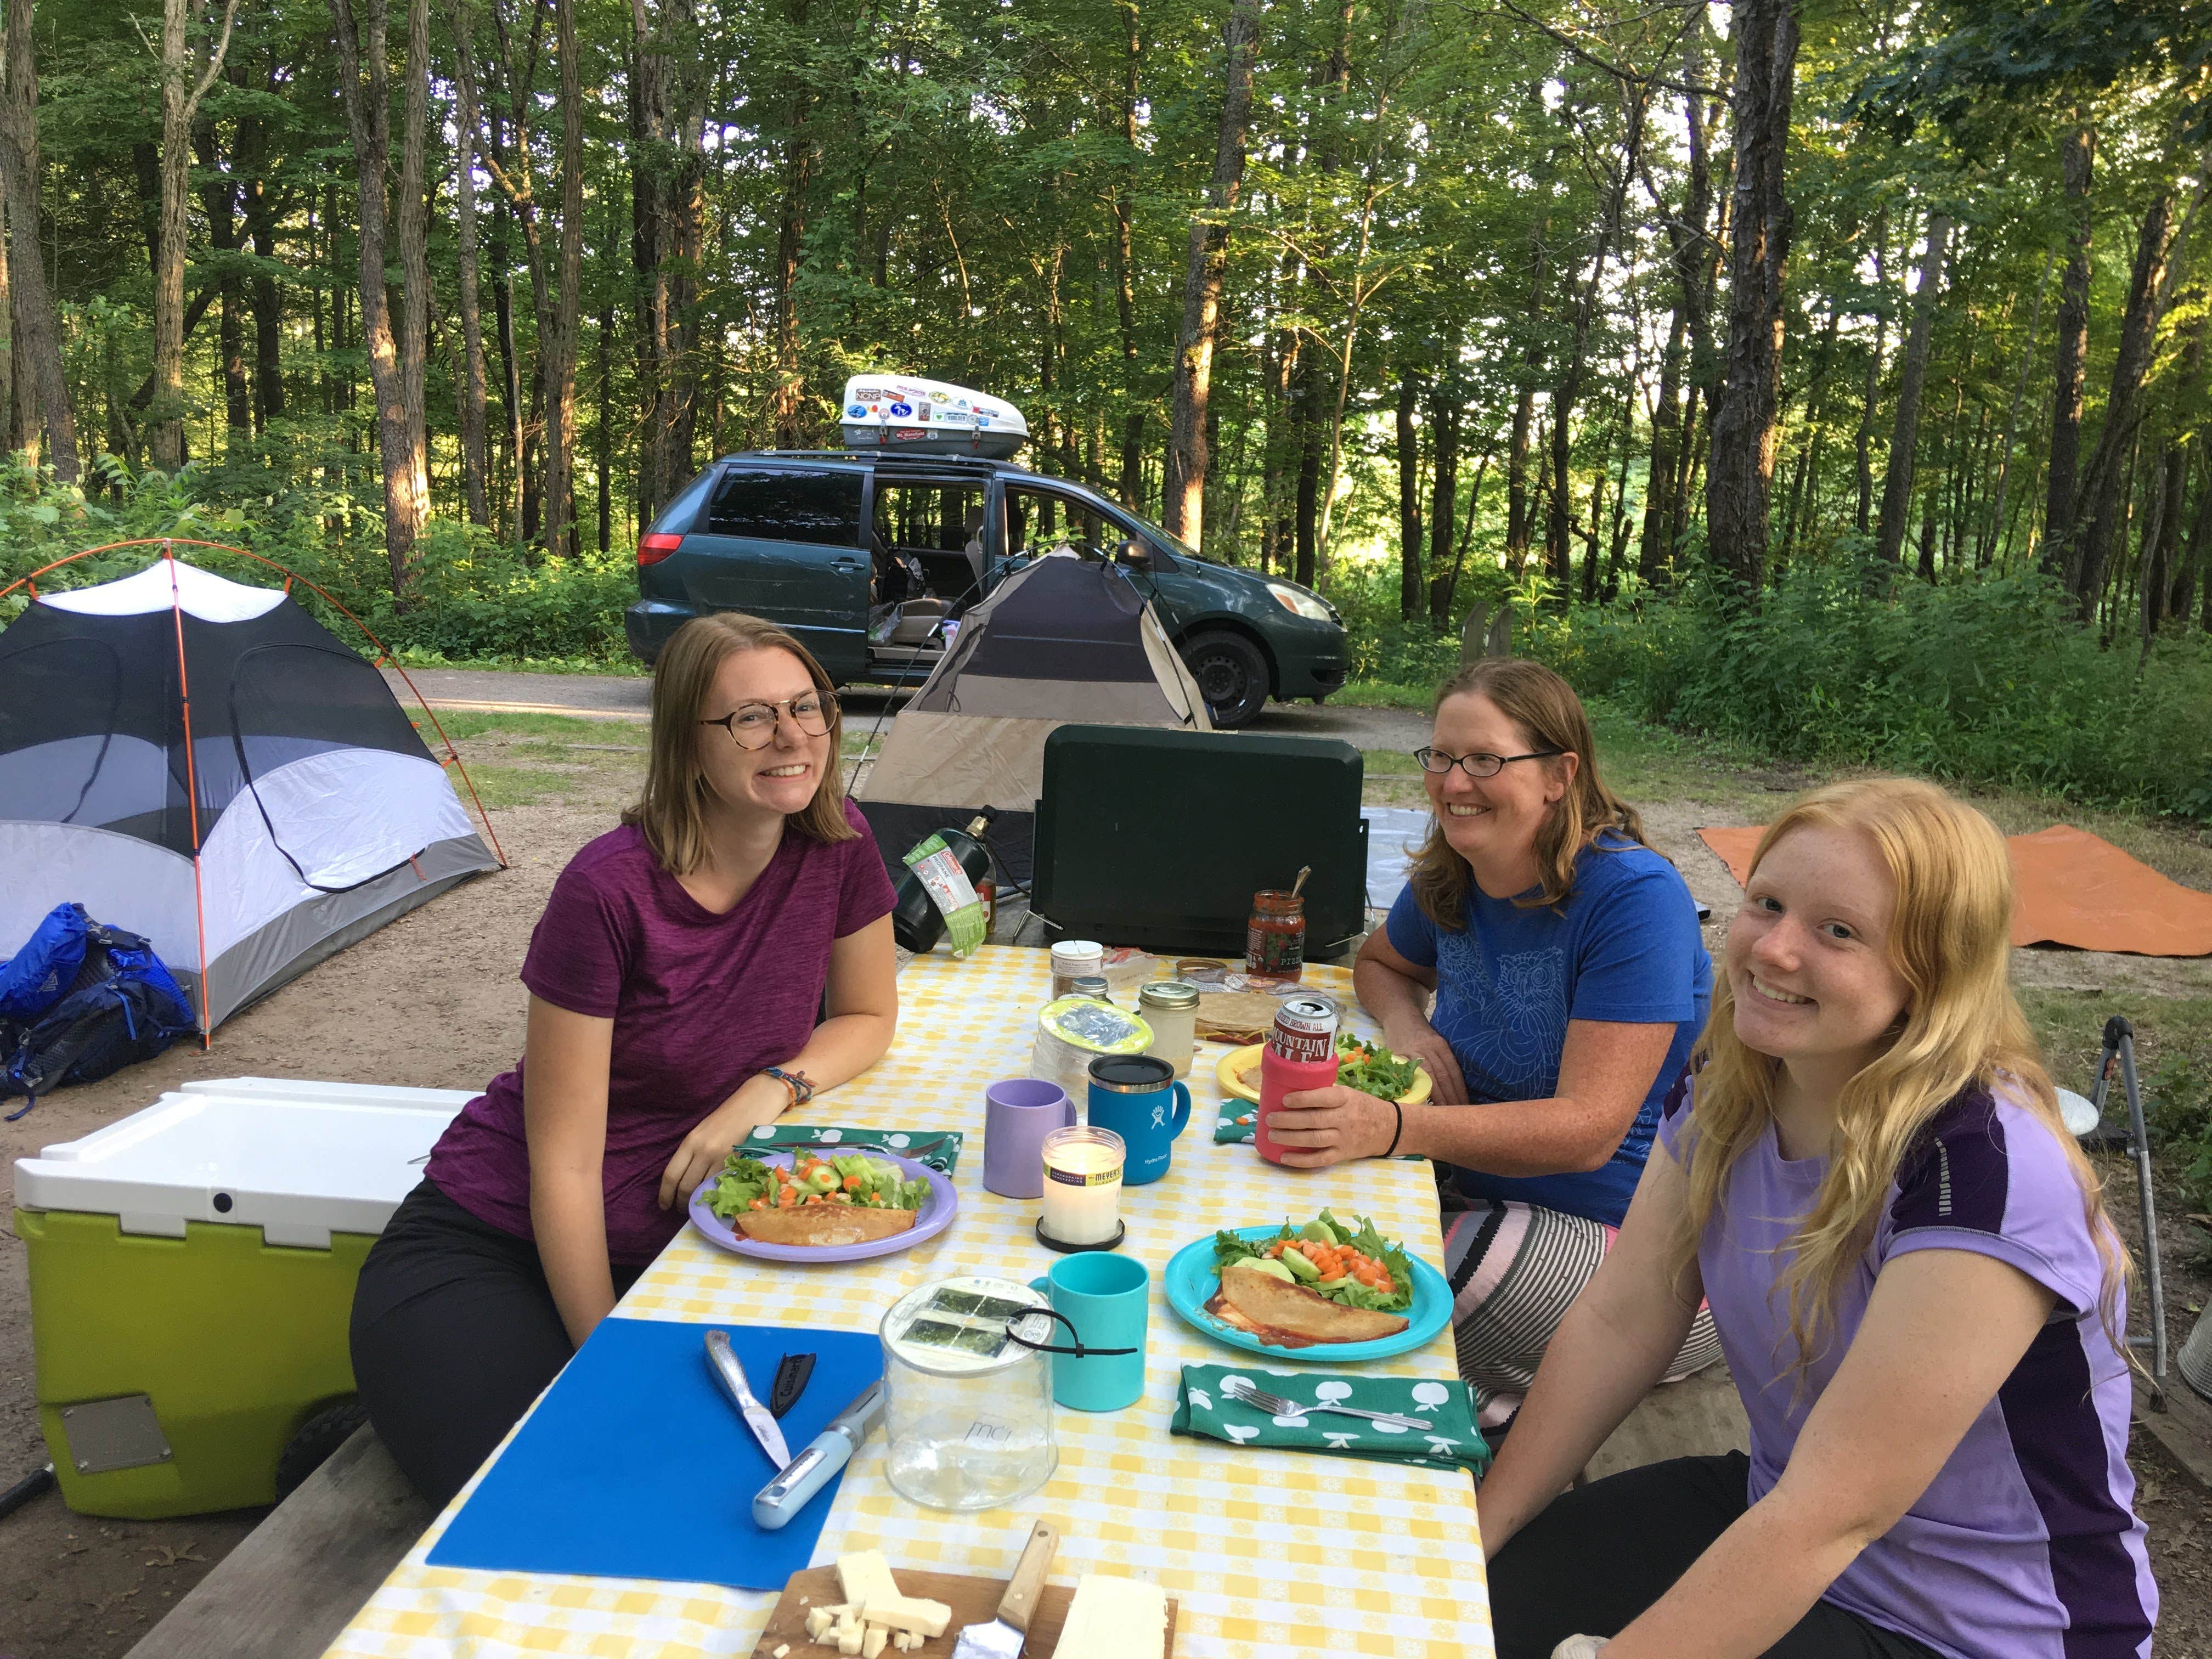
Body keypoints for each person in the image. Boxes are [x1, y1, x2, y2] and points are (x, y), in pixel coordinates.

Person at [1480, 777, 2155, 1659]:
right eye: (1767, 904)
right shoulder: (1733, 1081)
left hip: (1978, 1627)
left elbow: (1836, 1515)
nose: (1775, 951)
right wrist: (1474, 1539)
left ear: (1933, 968)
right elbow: (1622, 1317)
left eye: (1839, 931)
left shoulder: (1985, 1170)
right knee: (1476, 1602)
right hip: (1780, 1501)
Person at [350, 613, 899, 1506]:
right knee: (543, 1494)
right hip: (497, 1242)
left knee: (779, 1467)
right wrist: (606, 1350)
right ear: (689, 743)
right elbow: (562, 1165)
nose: (794, 737)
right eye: (752, 718)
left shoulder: (837, 843)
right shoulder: (607, 891)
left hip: (685, 1235)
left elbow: (871, 1015)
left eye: (809, 707)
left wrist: (765, 1092)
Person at [1268, 658, 1718, 1424]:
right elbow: (1380, 965)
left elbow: (1588, 1131)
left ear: (1558, 775)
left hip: (1635, 1250)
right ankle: (1495, 1397)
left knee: (1375, 1288)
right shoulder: (1459, 869)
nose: (1453, 782)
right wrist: (1410, 1028)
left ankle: (1480, 1409)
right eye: (1440, 757)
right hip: (1475, 1194)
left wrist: (1394, 1127)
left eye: (1484, 760)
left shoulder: (1635, 899)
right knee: (1298, 1234)